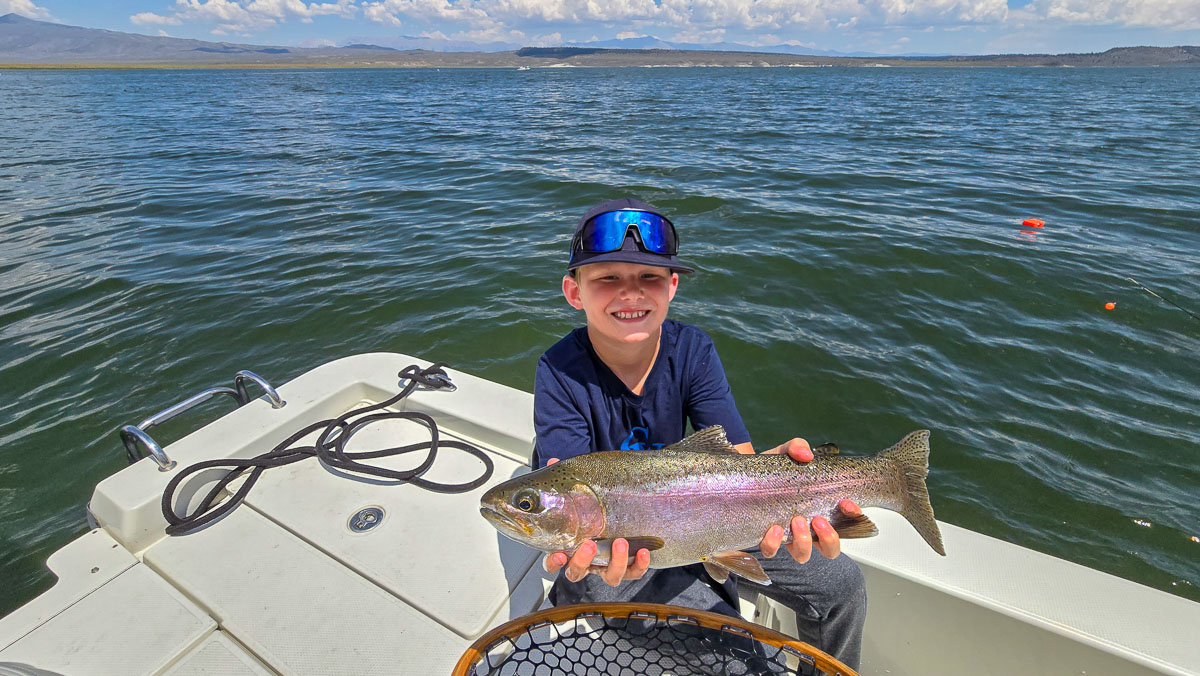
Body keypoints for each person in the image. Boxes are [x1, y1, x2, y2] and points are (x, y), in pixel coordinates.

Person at [531, 198, 870, 669]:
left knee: (842, 586)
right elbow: (567, 495)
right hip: (624, 551)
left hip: (714, 515)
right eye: (608, 278)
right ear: (574, 291)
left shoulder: (694, 349)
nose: (630, 294)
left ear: (672, 287)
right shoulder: (557, 371)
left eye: (648, 277)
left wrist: (774, 475)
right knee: (732, 655)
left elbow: (736, 457)